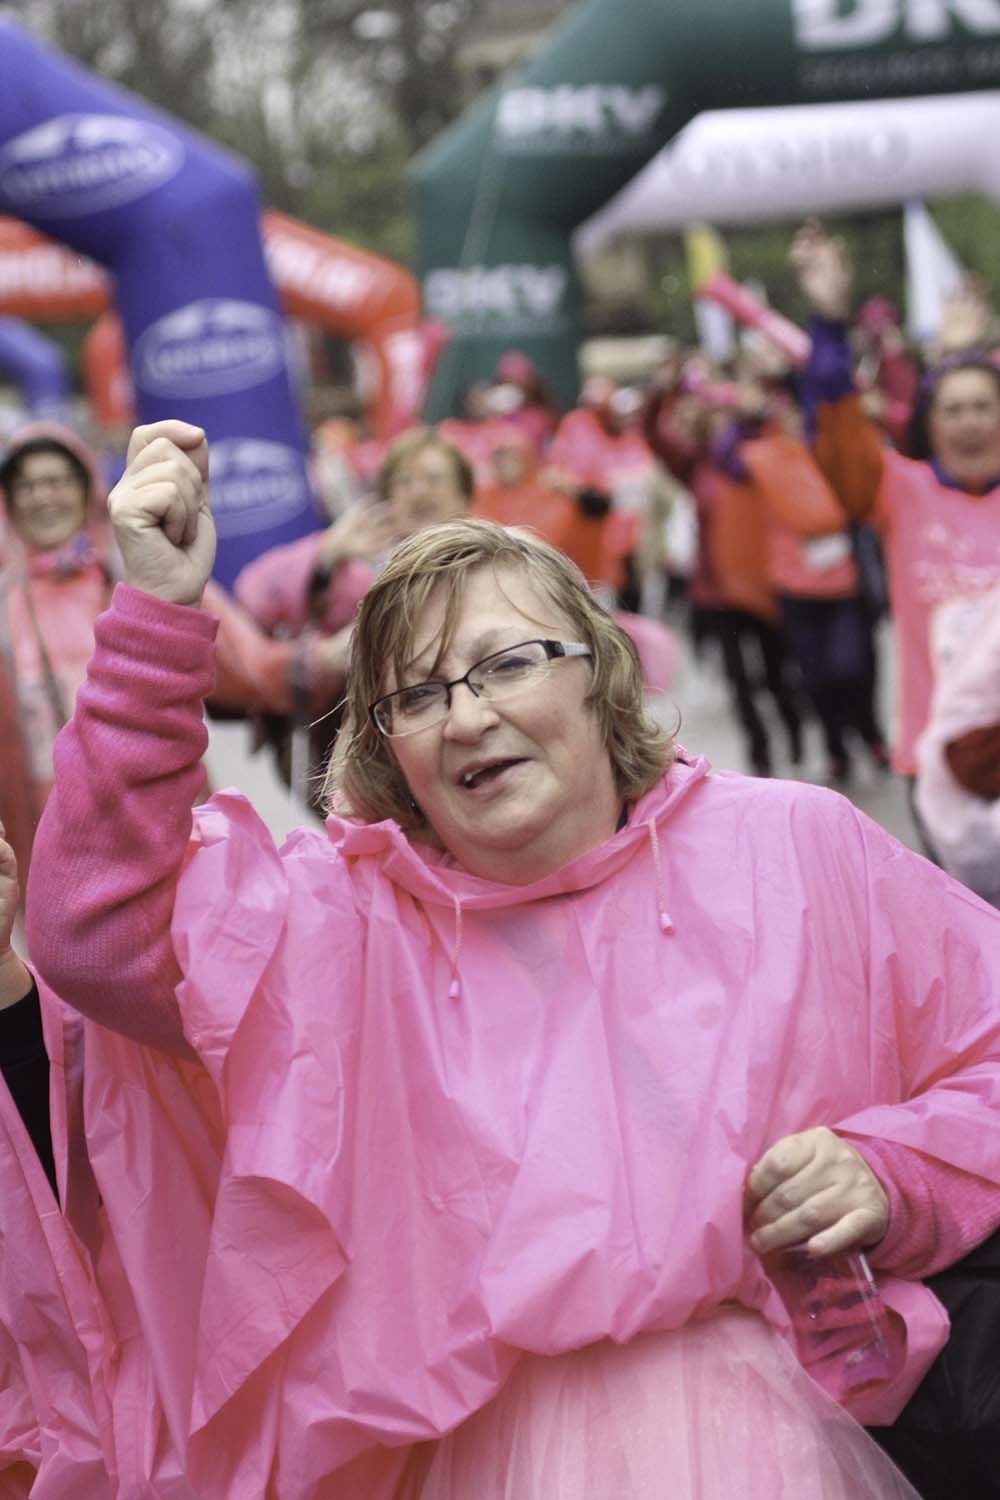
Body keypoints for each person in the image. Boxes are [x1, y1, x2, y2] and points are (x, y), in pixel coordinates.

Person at [25, 419, 1000, 1498]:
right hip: (472, 1460)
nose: (469, 716)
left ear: (599, 671)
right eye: (419, 694)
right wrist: (159, 616)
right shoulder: (344, 922)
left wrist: (891, 1169)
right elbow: (97, 935)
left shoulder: (795, 846)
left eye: (506, 664)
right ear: (385, 741)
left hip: (774, 1438)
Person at [0, 423, 350, 876]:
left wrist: (325, 658)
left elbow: (242, 659)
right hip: (51, 837)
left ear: (86, 488)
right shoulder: (5, 606)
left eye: (57, 481)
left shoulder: (141, 574)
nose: (43, 497)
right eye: (27, 485)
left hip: (161, 812)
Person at [790, 220, 1000, 785]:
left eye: (983, 406)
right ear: (929, 422)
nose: (970, 422)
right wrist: (830, 326)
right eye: (953, 410)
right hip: (938, 764)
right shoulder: (901, 492)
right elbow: (835, 426)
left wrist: (964, 352)